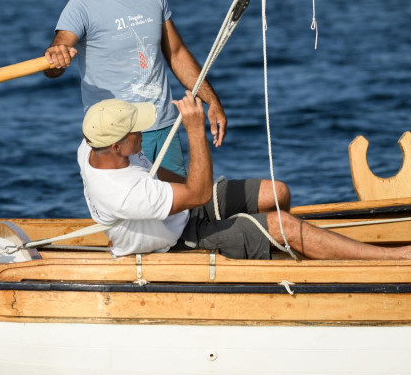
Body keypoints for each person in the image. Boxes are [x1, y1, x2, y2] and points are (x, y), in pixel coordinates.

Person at [79, 95, 411, 260]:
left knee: (276, 193)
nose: (142, 131)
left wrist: (180, 193)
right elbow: (197, 194)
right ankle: (392, 258)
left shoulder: (93, 144)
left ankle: (279, 248)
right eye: (135, 131)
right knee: (285, 226)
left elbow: (165, 179)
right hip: (178, 241)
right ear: (117, 146)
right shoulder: (125, 193)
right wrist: (195, 129)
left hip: (178, 208)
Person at [44, 0, 226, 177]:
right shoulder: (80, 7)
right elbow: (56, 58)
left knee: (178, 212)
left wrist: (212, 101)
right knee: (130, 214)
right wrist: (56, 55)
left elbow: (176, 53)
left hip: (164, 128)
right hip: (118, 138)